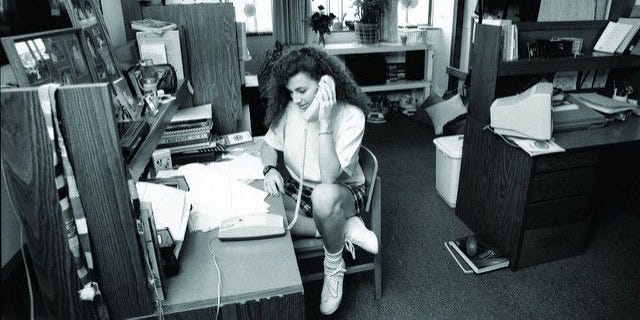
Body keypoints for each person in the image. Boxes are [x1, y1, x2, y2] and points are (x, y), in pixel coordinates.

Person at [261, 46, 378, 315]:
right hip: (302, 189)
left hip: (342, 191)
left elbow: (328, 178)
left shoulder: (351, 115)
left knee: (323, 196)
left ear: (326, 84)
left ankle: (334, 266)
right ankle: (337, 228)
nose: (296, 99)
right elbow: (267, 145)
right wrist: (269, 169)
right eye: (291, 91)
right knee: (263, 211)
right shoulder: (290, 108)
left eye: (302, 91)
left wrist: (324, 122)